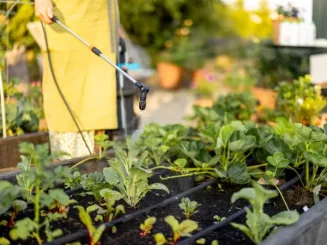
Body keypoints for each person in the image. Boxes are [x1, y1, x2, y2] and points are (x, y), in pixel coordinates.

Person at [34, 0, 119, 159]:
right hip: (69, 17)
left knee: (99, 100)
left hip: (101, 19)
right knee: (67, 98)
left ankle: (93, 167)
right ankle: (68, 166)